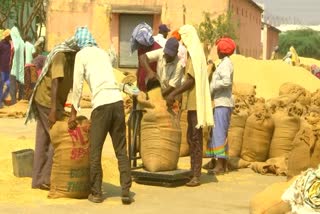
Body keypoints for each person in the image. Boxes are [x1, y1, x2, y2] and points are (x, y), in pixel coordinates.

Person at [68, 27, 132, 204]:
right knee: (121, 150)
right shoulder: (102, 53)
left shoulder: (81, 55)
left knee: (95, 151)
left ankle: (96, 192)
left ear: (79, 42)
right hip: (117, 102)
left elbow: (77, 85)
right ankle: (125, 190)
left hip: (101, 105)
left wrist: (73, 114)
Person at [25, 37, 79, 190]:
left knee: (42, 139)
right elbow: (56, 81)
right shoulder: (60, 56)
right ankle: (46, 178)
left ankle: (37, 180)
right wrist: (54, 110)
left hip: (52, 102)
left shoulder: (73, 60)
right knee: (57, 139)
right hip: (47, 101)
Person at [165, 25, 214, 187]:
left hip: (195, 103)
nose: (183, 44)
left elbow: (190, 80)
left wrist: (173, 93)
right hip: (192, 101)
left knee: (195, 138)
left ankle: (196, 175)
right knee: (191, 137)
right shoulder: (195, 52)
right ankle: (193, 171)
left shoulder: (194, 54)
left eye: (184, 40)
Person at [205, 37, 236, 175]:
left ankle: (220, 166)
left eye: (218, 49)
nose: (217, 51)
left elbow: (226, 82)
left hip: (223, 103)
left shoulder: (226, 64)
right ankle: (220, 163)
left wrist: (212, 86)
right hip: (220, 102)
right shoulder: (224, 63)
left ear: (222, 51)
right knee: (218, 133)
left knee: (219, 134)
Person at [130, 22, 162, 92]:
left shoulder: (158, 50)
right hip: (141, 84)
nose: (139, 45)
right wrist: (137, 79)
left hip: (151, 87)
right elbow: (140, 65)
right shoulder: (141, 48)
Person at [10, 26, 25, 104]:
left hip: (14, 67)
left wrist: (10, 64)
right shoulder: (22, 42)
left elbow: (12, 53)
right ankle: (21, 100)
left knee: (12, 84)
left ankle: (13, 101)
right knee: (21, 83)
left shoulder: (14, 42)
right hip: (21, 66)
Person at [0, 29, 12, 108]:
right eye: (10, 36)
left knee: (9, 85)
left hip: (8, 69)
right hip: (1, 69)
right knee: (0, 86)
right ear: (7, 36)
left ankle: (3, 98)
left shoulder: (10, 44)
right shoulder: (1, 44)